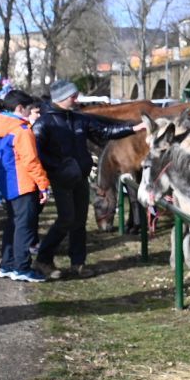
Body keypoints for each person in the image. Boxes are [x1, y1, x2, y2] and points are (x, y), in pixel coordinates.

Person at [32, 80, 135, 279]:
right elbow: (37, 153)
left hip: (80, 176)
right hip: (61, 178)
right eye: (73, 96)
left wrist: (134, 128)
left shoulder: (78, 119)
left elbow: (106, 131)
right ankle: (43, 259)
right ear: (61, 98)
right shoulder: (44, 123)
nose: (76, 99)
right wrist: (59, 167)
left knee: (79, 221)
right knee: (66, 219)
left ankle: (78, 263)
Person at [0, 91, 51, 283]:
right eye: (29, 109)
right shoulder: (22, 130)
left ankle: (7, 264)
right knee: (24, 228)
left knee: (13, 224)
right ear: (20, 108)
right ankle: (22, 267)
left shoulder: (1, 126)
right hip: (24, 183)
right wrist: (43, 185)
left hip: (8, 182)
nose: (30, 113)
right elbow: (31, 161)